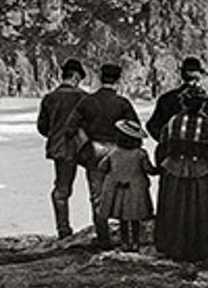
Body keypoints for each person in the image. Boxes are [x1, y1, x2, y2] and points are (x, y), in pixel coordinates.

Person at [63, 63, 141, 247]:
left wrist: (84, 145)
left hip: (94, 150)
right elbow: (135, 130)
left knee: (97, 196)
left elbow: (69, 129)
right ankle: (125, 240)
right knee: (122, 194)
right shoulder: (122, 103)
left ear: (99, 78)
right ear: (118, 80)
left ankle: (103, 238)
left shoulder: (87, 101)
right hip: (118, 151)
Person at [154, 85, 208, 262]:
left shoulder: (172, 122)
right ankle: (199, 249)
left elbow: (162, 148)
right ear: (202, 106)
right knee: (198, 210)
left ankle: (172, 246)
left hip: (174, 169)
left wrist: (162, 167)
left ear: (183, 103)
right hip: (200, 172)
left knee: (174, 208)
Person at [36, 57, 88, 238]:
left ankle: (63, 229)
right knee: (97, 186)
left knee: (61, 190)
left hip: (60, 148)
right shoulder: (84, 97)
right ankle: (101, 226)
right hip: (85, 148)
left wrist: (55, 134)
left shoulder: (49, 98)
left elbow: (42, 127)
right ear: (75, 77)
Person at [97, 119, 158, 252]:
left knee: (123, 219)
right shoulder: (140, 154)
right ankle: (135, 243)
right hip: (136, 190)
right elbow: (149, 169)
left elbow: (101, 167)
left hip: (118, 190)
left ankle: (125, 243)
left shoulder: (113, 152)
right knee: (135, 218)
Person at [146, 56, 208, 140]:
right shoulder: (205, 101)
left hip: (171, 149)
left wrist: (165, 141)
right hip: (196, 149)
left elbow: (152, 125)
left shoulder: (166, 98)